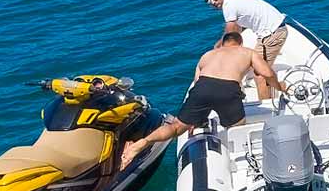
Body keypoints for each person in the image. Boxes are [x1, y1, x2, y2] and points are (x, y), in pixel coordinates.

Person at [120, 33, 281, 167]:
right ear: (239, 43)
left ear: (223, 44)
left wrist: (197, 120)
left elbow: (197, 83)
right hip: (228, 90)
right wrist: (279, 87)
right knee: (236, 127)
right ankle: (239, 162)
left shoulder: (207, 55)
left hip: (202, 88)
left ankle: (143, 142)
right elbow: (267, 73)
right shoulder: (247, 52)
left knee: (176, 127)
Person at [201, 0, 288, 99]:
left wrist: (219, 50)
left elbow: (231, 32)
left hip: (272, 34)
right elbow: (237, 28)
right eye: (208, 0)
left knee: (260, 74)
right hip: (271, 31)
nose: (212, 2)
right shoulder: (234, 0)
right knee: (257, 67)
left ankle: (268, 109)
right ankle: (282, 88)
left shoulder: (228, 6)